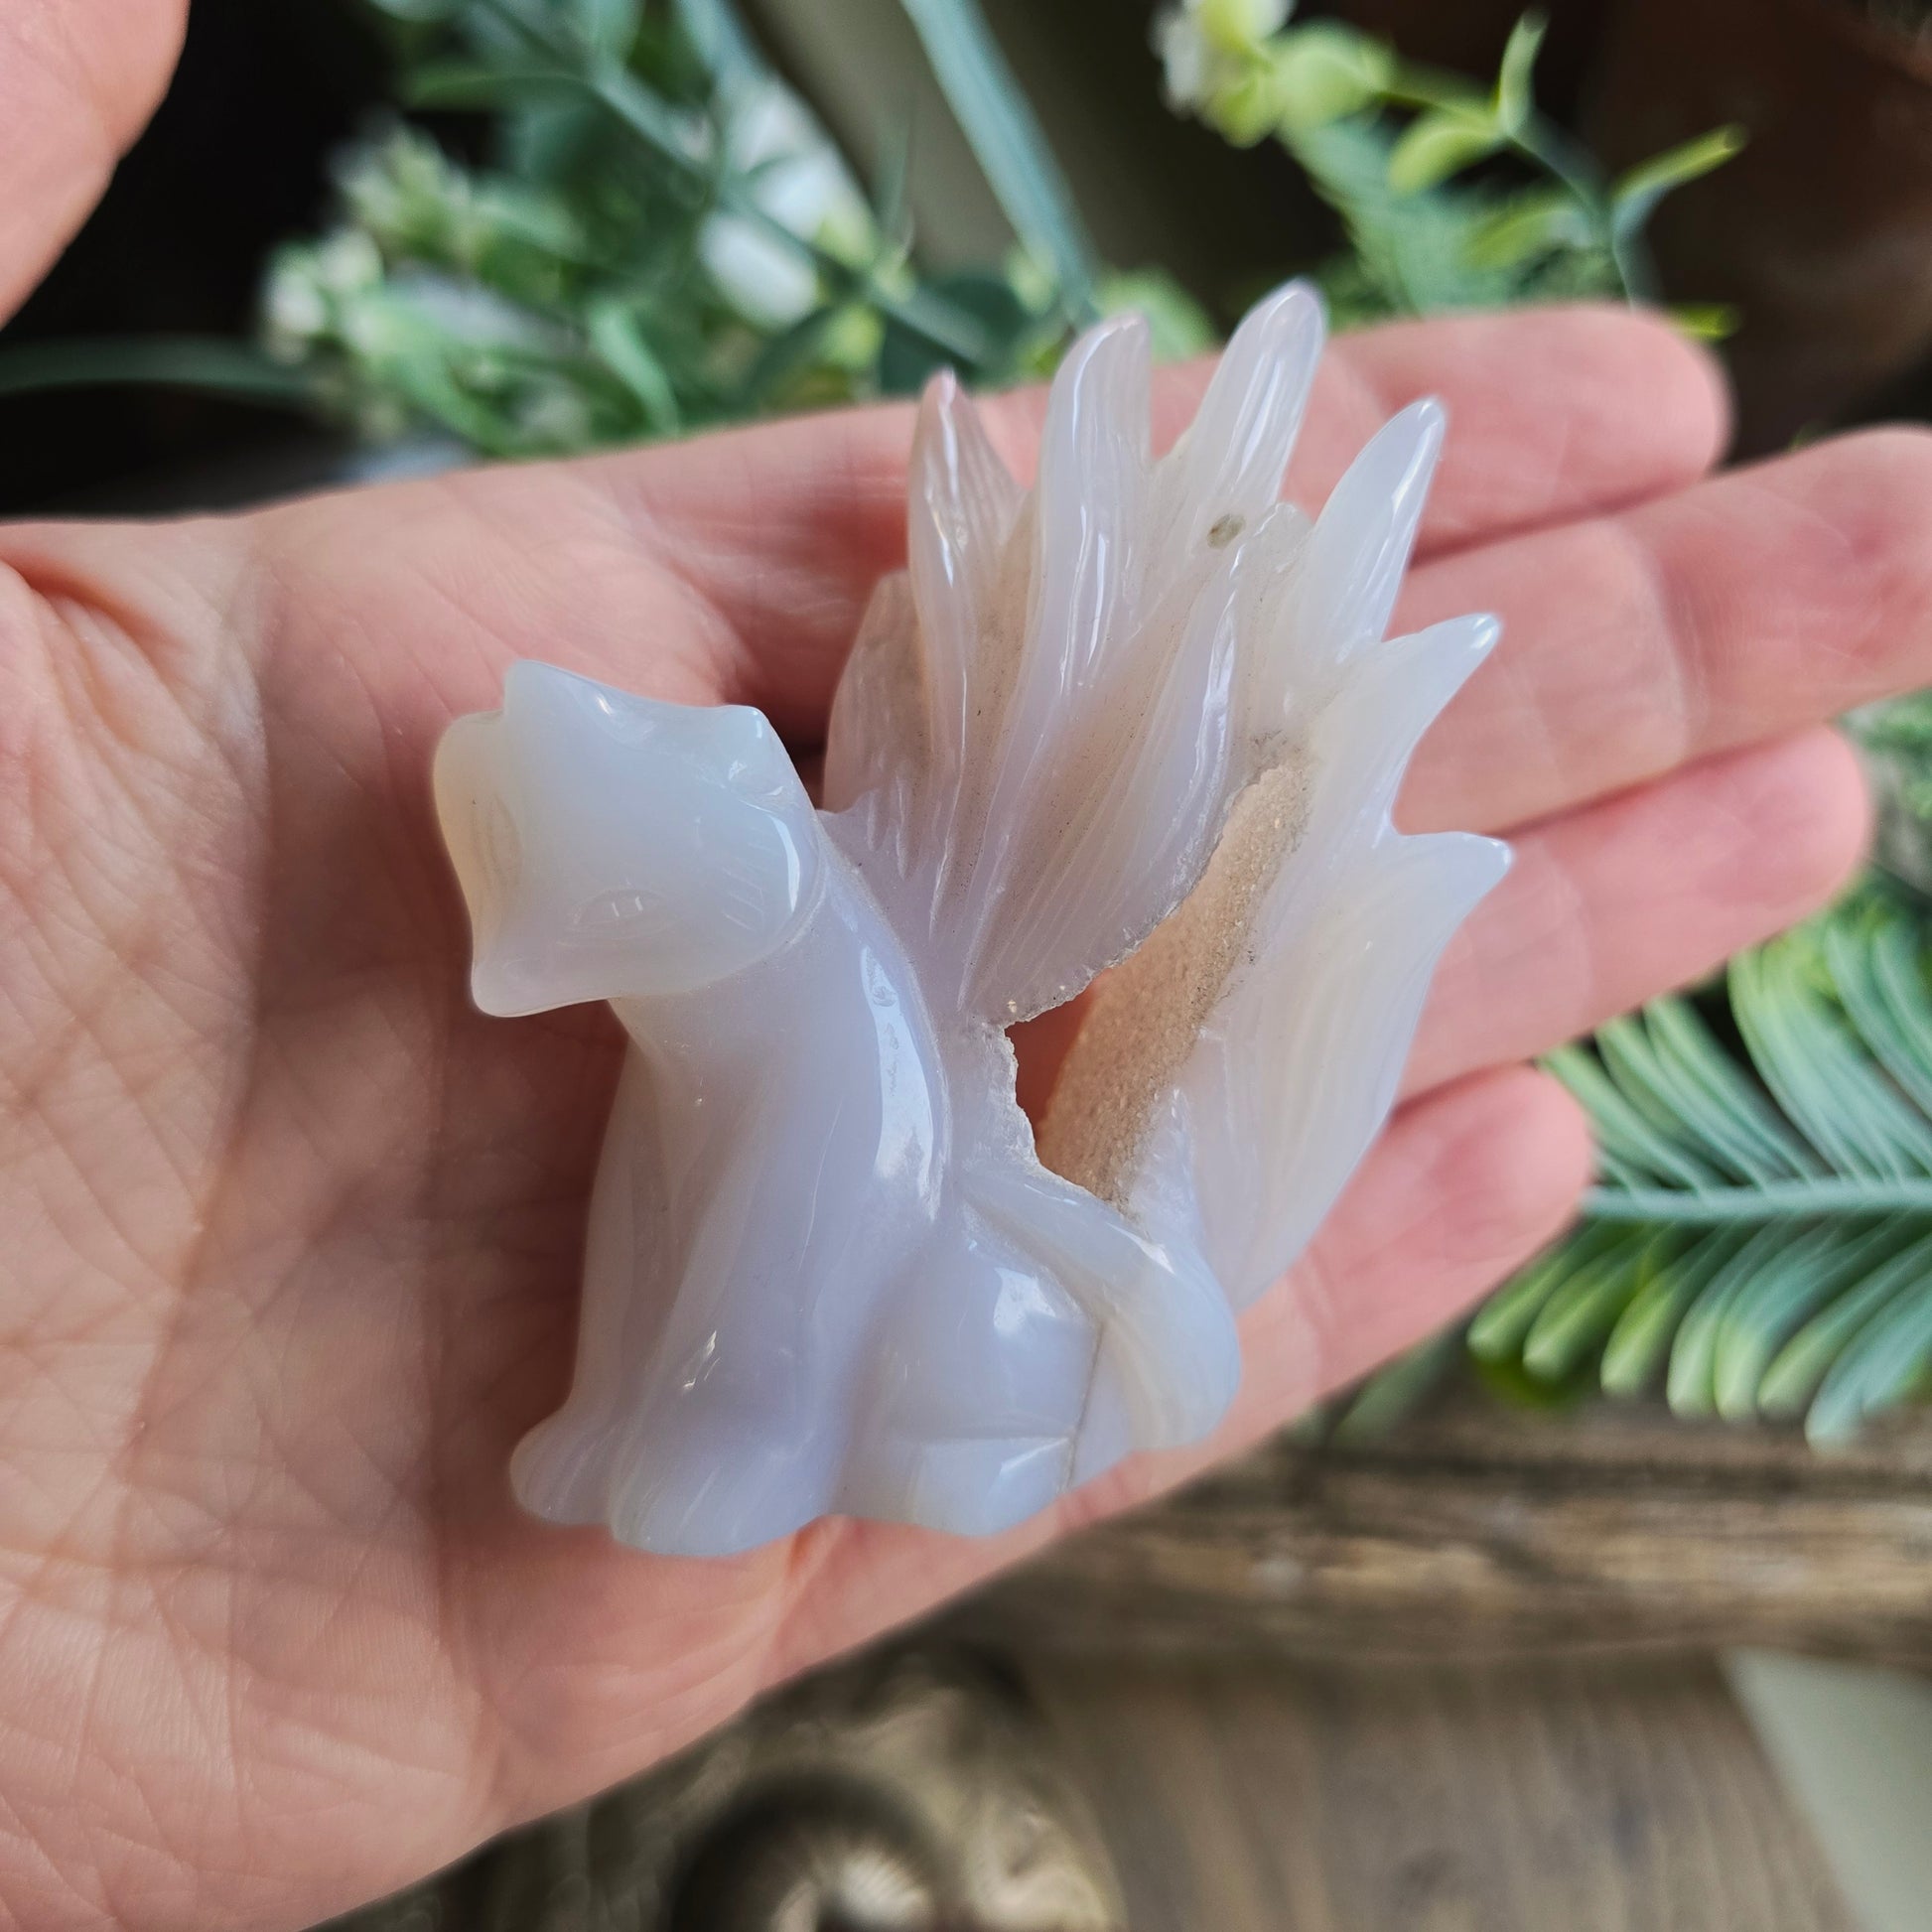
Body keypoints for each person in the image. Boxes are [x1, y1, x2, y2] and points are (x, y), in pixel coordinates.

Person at [0, 4, 1923, 1925]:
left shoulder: (806, 999)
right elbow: (689, 1235)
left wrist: (720, 1423)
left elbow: (790, 1258)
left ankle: (750, 1444)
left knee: (818, 1277)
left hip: (973, 1356)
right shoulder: (760, 977)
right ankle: (694, 1437)